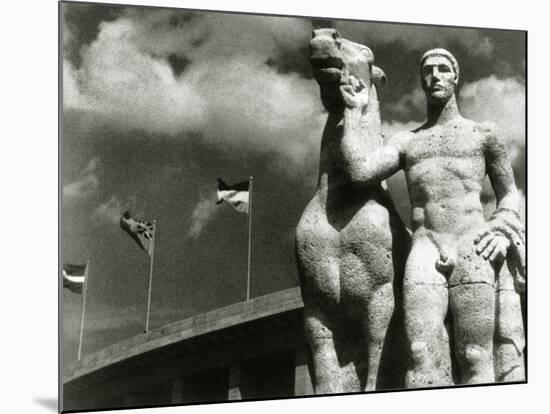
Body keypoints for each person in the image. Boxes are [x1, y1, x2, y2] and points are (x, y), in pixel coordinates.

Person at [338, 48, 525, 386]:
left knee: (475, 355)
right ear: (422, 81)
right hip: (425, 245)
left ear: (456, 77)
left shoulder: (482, 134)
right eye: (428, 70)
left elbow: (510, 192)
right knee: (421, 352)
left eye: (443, 69)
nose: (435, 76)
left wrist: (502, 228)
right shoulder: (408, 142)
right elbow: (359, 171)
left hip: (473, 243)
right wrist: (352, 112)